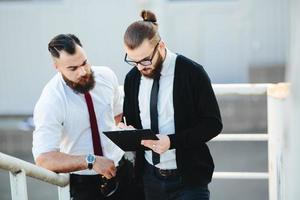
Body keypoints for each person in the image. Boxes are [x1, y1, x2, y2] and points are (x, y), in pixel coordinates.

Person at [121, 10, 223, 200]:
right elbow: (131, 119)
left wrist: (172, 141)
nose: (140, 67)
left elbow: (213, 124)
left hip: (189, 180)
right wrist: (127, 130)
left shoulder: (192, 72)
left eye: (145, 60)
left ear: (161, 46)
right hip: (149, 179)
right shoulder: (133, 78)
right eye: (133, 61)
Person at [32, 34, 134, 200]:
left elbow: (117, 115)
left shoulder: (107, 76)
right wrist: (91, 161)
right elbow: (44, 158)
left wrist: (126, 129)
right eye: (73, 68)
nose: (83, 72)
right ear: (56, 66)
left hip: (123, 173)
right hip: (85, 186)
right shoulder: (50, 101)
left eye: (84, 62)